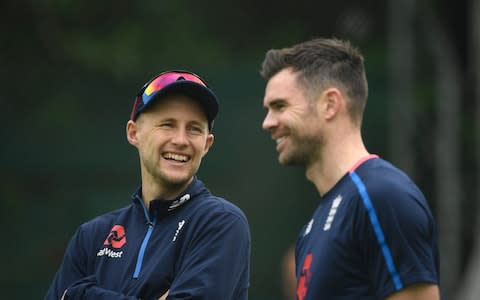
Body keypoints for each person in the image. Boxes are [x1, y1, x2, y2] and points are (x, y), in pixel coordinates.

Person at [45, 70, 251, 300]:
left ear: (207, 144)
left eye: (194, 128)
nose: (181, 140)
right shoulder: (91, 236)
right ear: (134, 133)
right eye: (167, 124)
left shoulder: (220, 222)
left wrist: (81, 294)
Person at [260, 38, 440, 299]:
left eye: (280, 106)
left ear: (330, 104)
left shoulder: (382, 197)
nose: (267, 123)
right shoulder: (311, 230)